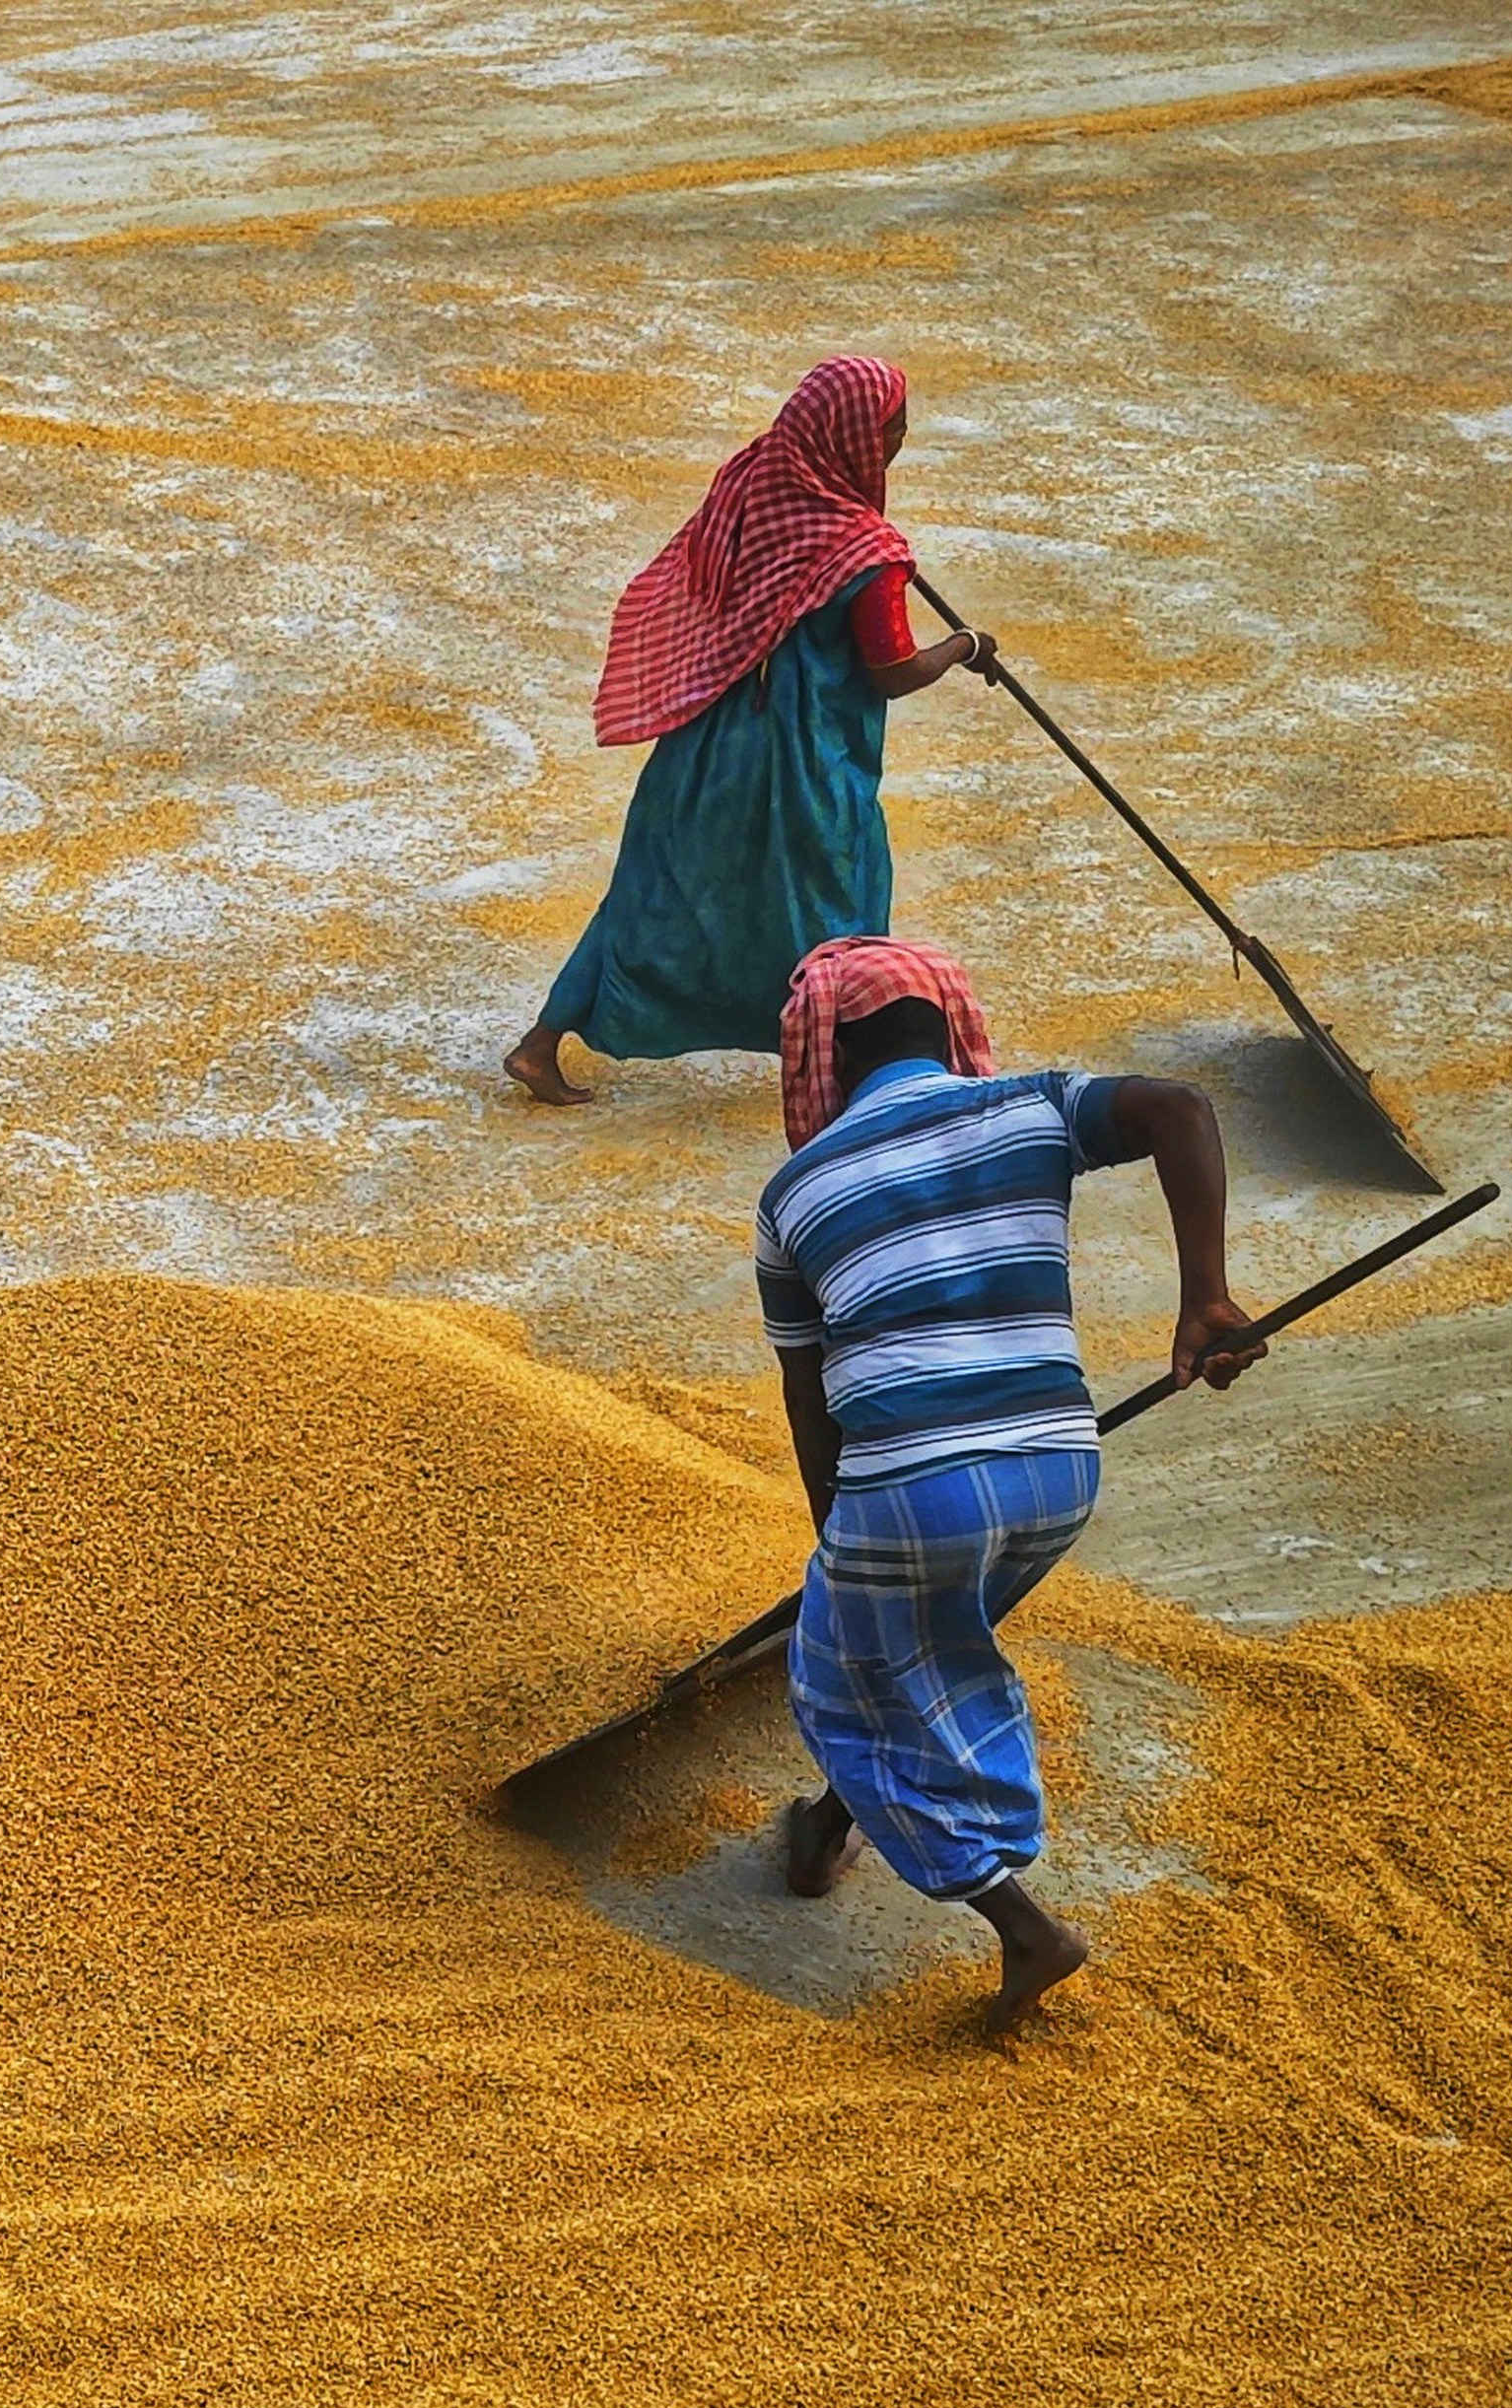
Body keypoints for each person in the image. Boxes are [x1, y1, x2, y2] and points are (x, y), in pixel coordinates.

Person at [755, 936, 1265, 2028]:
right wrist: (1205, 1299)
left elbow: (811, 1401)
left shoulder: (793, 1192)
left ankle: (1022, 1926)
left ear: (822, 1061)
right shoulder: (1032, 1107)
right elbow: (1179, 1106)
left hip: (910, 1486)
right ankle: (828, 1826)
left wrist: (839, 1548)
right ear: (951, 1029)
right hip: (1057, 1472)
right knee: (921, 1640)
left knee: (839, 1682)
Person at [510, 357, 1000, 1106]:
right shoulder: (868, 556)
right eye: (891, 425)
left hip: (709, 748)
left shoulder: (755, 485)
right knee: (840, 915)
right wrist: (965, 648)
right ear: (853, 437)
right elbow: (892, 670)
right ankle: (850, 1079)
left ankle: (541, 1044)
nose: (900, 437)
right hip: (808, 767)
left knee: (655, 896)